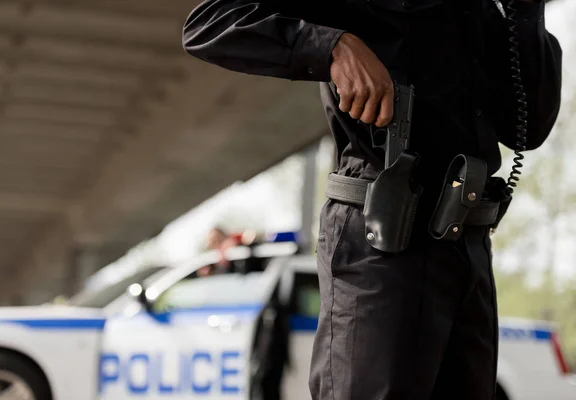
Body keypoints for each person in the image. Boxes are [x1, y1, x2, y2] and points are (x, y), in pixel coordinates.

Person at [182, 1, 562, 399]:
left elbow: (529, 127)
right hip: (384, 242)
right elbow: (210, 23)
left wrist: (526, 14)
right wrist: (333, 47)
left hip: (467, 247)